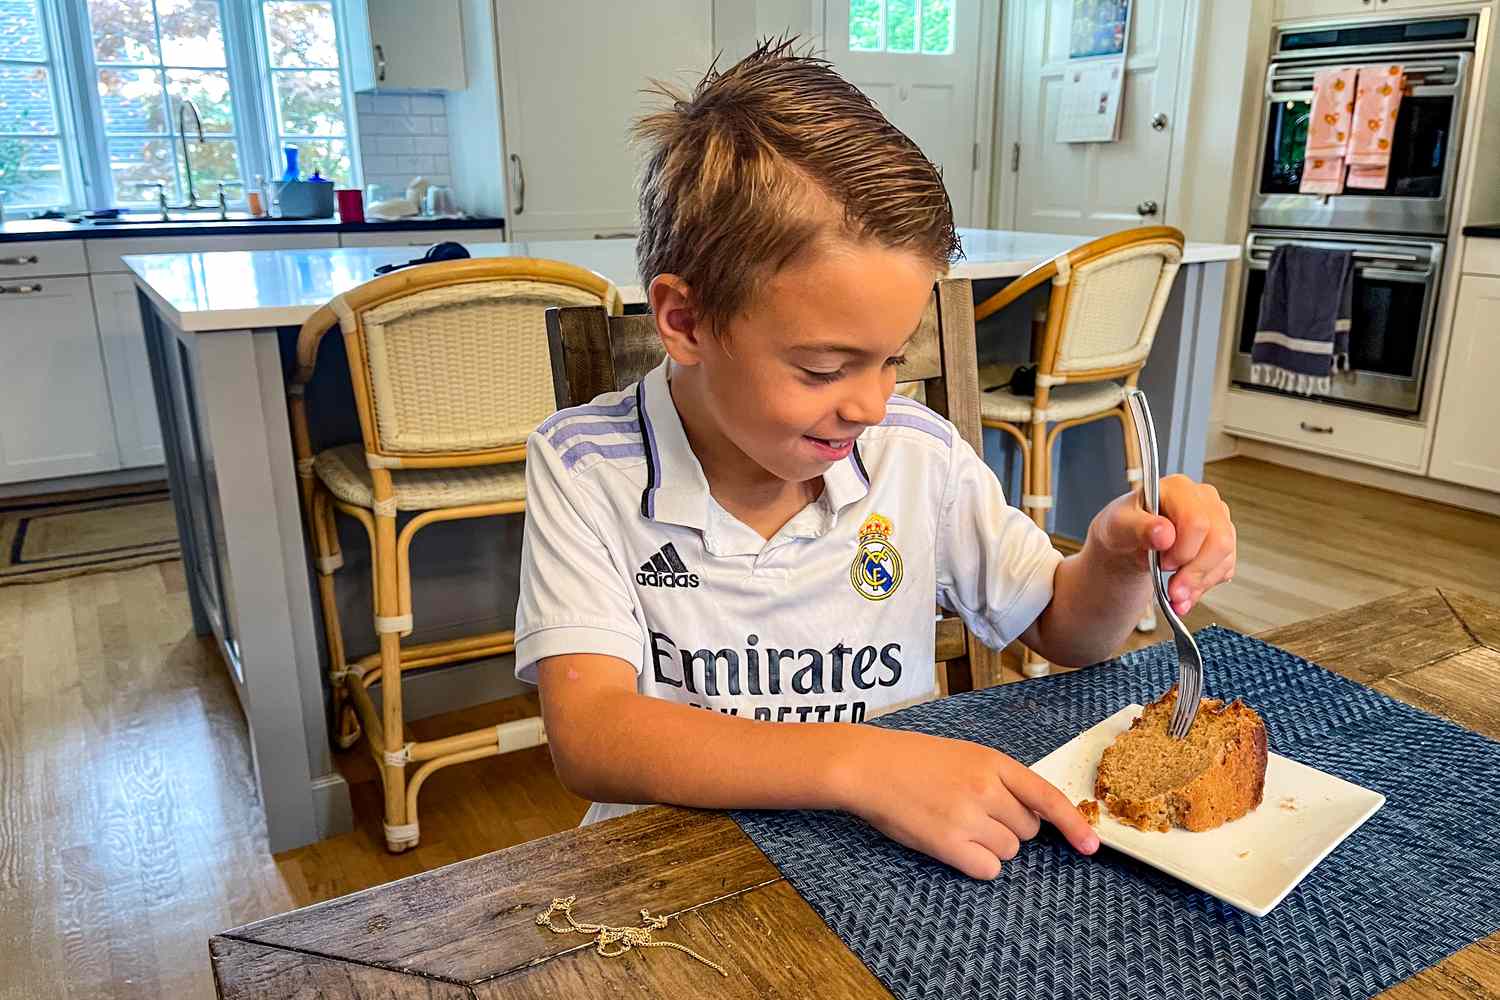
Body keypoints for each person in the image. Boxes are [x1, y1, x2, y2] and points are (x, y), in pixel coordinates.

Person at [514, 40, 1235, 879]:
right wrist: (860, 764)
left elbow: (1062, 629)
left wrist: (1114, 557)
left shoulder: (914, 453)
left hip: (897, 860)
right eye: (824, 369)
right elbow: (593, 736)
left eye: (891, 359)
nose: (869, 404)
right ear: (684, 322)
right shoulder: (584, 467)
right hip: (679, 873)